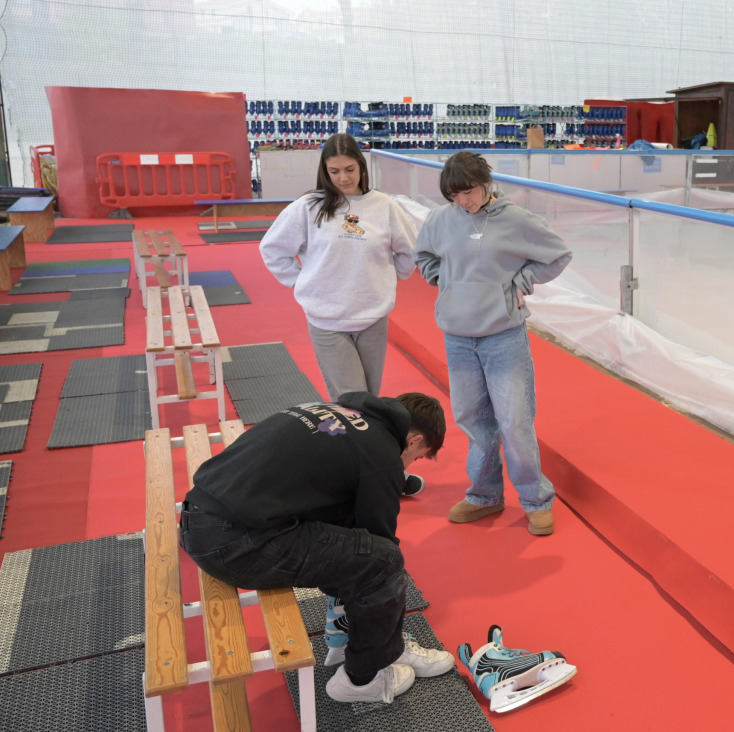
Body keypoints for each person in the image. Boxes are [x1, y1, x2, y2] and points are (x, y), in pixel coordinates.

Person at [179, 391, 450, 704]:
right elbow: (380, 542)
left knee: (352, 539)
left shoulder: (334, 410)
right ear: (414, 440)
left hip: (200, 517)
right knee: (384, 561)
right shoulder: (382, 452)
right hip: (235, 546)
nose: (408, 465)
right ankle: (363, 678)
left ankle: (347, 635)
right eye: (415, 458)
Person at [414, 151, 572, 536]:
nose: (463, 201)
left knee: (515, 421)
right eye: (454, 194)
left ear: (486, 183)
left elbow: (558, 255)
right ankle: (485, 495)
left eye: (468, 192)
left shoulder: (517, 220)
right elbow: (424, 255)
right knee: (472, 419)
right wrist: (442, 281)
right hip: (457, 336)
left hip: (503, 335)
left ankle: (536, 500)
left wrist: (521, 282)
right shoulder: (440, 220)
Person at [259, 133, 418, 403]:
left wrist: (386, 279)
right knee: (353, 401)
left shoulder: (385, 206)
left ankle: (358, 444)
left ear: (361, 166)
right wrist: (302, 282)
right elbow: (273, 249)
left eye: (349, 169)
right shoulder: (309, 207)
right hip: (327, 320)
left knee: (368, 399)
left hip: (373, 318)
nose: (343, 178)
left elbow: (410, 250)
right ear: (324, 171)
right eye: (334, 171)